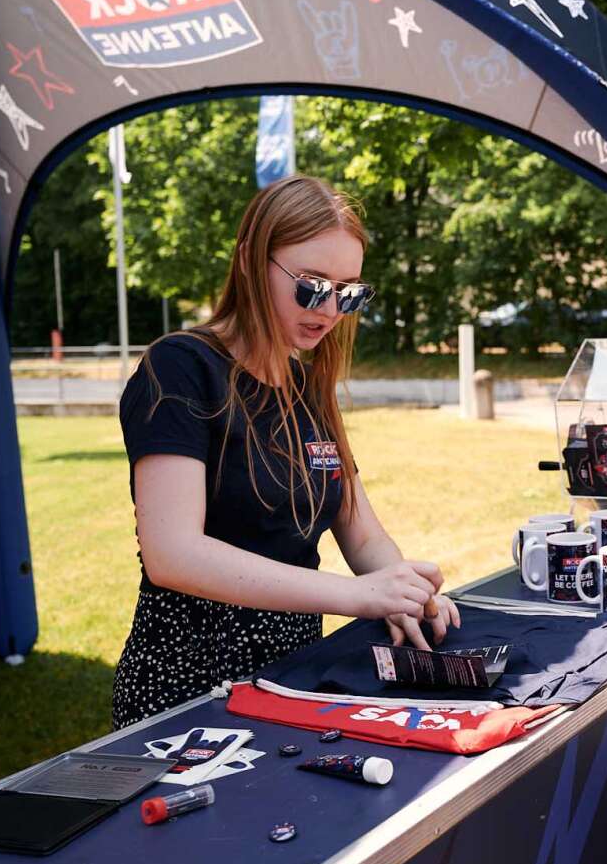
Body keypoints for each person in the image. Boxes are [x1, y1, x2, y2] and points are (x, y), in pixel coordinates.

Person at [112, 175, 459, 729]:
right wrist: (361, 597)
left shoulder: (306, 386)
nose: (330, 309)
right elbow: (173, 554)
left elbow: (360, 531)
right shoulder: (181, 368)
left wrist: (404, 591)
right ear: (252, 261)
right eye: (313, 284)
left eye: (348, 292)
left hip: (294, 677)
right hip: (190, 687)